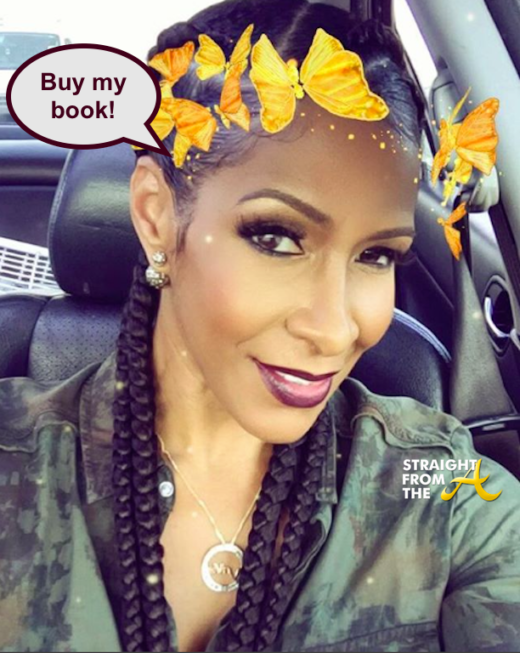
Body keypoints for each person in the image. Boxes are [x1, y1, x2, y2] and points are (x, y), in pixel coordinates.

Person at [0, 0, 519, 651]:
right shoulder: (15, 471)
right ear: (157, 215)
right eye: (276, 237)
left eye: (377, 255)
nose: (334, 329)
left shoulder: (438, 492)